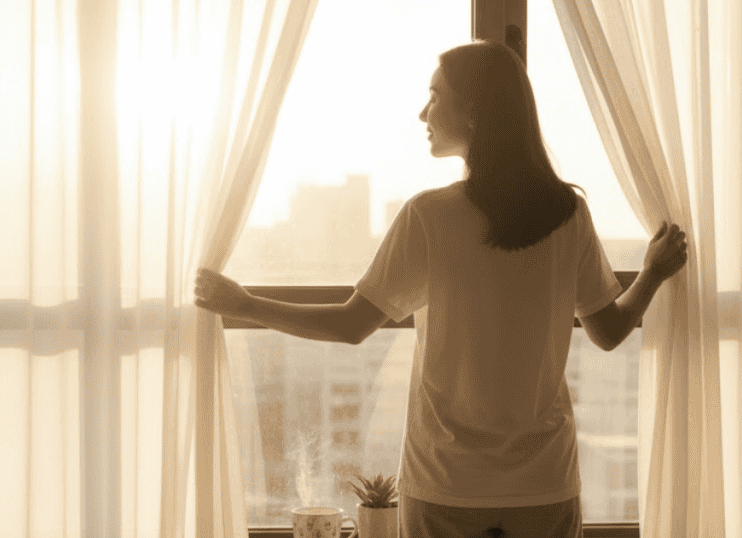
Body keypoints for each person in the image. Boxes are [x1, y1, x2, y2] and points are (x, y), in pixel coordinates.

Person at [195, 40, 688, 538]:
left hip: (447, 485)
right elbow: (607, 331)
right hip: (543, 485)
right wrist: (650, 274)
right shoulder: (568, 214)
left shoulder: (429, 217)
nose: (422, 112)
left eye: (435, 97)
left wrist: (243, 304)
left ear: (473, 112)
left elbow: (351, 326)